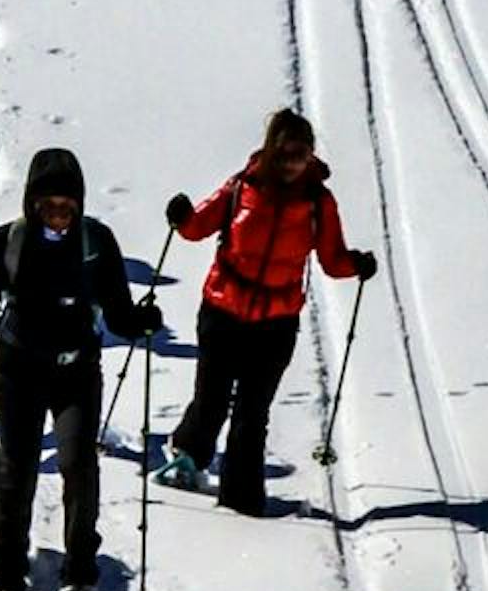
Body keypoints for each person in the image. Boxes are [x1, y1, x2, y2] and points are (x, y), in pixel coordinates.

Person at [0, 147, 157, 591]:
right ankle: (8, 583)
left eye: (67, 205)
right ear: (32, 202)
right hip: (18, 371)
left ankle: (78, 582)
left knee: (78, 466)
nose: (58, 213)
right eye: (48, 204)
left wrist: (141, 321)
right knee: (18, 471)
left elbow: (117, 313)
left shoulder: (96, 243)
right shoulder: (9, 240)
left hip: (77, 372)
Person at [160, 107, 377, 516]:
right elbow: (198, 226)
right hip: (222, 311)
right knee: (212, 400)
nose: (292, 163)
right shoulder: (242, 187)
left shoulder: (318, 202)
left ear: (310, 155)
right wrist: (183, 217)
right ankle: (187, 453)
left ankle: (241, 505)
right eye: (285, 154)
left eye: (301, 154)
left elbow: (332, 259)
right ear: (271, 151)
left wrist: (356, 264)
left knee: (252, 412)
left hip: (276, 324)